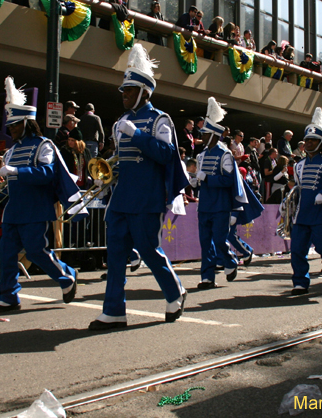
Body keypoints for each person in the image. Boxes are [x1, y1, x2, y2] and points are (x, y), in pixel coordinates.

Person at [88, 44, 189, 330]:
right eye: (123, 90)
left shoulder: (160, 120)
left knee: (148, 249)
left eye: (130, 90)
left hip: (147, 198)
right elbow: (121, 162)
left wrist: (138, 134)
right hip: (120, 198)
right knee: (116, 255)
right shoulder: (120, 122)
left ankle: (174, 292)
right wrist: (105, 175)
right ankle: (113, 311)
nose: (124, 95)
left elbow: (168, 155)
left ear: (145, 92)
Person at [0, 77, 83, 312]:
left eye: (15, 125)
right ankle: (8, 297)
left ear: (26, 123)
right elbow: (9, 183)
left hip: (35, 209)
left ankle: (66, 277)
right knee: (7, 254)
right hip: (13, 210)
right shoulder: (10, 152)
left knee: (36, 251)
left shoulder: (43, 145)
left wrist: (16, 171)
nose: (11, 129)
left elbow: (47, 173)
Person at [286, 108, 322, 295]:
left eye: (313, 141)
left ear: (320, 144)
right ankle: (300, 282)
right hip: (302, 213)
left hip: (321, 214)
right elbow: (299, 188)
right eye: (307, 141)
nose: (308, 143)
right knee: (297, 250)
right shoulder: (299, 165)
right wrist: (289, 201)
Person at [191, 97, 247, 288]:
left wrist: (207, 178)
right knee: (205, 242)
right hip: (204, 204)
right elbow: (200, 181)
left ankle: (230, 260)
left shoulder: (225, 154)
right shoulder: (201, 155)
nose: (202, 137)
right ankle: (207, 277)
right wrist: (194, 181)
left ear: (214, 135)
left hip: (221, 206)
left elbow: (227, 180)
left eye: (205, 134)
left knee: (219, 240)